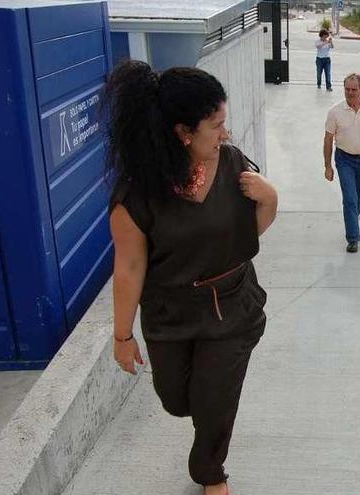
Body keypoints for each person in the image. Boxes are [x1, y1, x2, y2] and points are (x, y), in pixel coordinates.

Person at [106, 60, 278, 495]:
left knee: (215, 401)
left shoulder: (233, 164)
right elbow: (128, 268)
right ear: (183, 132)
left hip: (231, 305)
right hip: (170, 312)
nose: (226, 134)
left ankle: (210, 471)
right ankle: (202, 425)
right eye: (216, 125)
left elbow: (244, 233)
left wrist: (270, 198)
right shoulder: (136, 197)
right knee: (177, 400)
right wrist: (122, 336)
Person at [323, 73, 360, 253]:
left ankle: (352, 220)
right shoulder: (335, 112)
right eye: (347, 89)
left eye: (354, 89)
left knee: (359, 195)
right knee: (350, 198)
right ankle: (353, 238)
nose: (350, 93)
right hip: (344, 160)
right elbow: (327, 140)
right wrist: (328, 166)